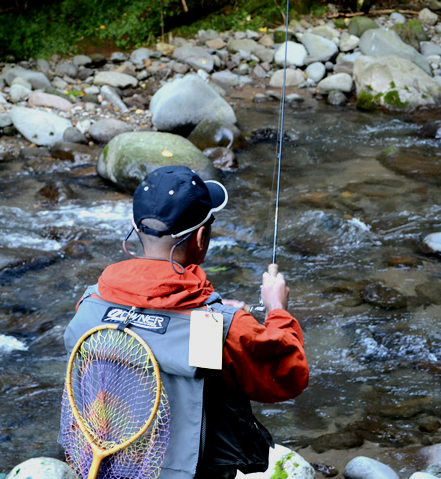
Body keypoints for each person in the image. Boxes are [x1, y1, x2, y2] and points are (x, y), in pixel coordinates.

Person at [61, 165, 309, 479]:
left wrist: (219, 315)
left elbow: (154, 319)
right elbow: (287, 377)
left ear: (136, 231)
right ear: (202, 237)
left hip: (107, 465)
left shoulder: (91, 302)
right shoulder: (215, 327)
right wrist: (277, 311)